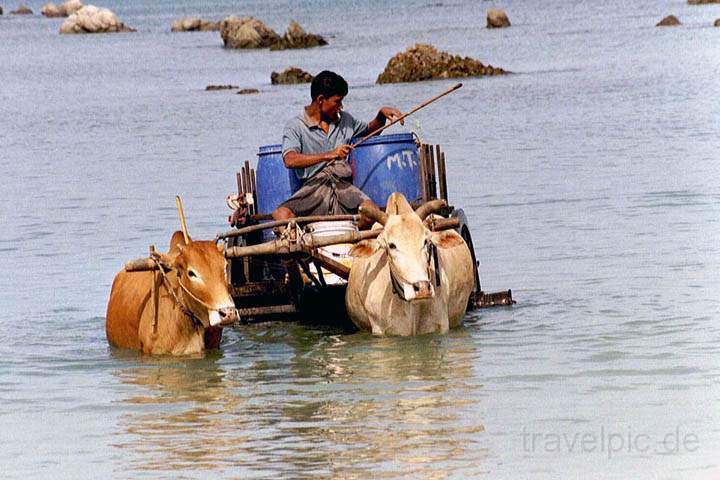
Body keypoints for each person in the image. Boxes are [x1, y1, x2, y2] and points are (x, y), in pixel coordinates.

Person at [272, 70, 403, 228]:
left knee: (370, 212)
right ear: (321, 100)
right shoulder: (295, 126)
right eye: (337, 101)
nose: (341, 107)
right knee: (281, 216)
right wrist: (329, 155)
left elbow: (369, 130)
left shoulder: (345, 120)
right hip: (313, 187)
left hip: (343, 186)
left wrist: (381, 116)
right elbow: (290, 160)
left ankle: (350, 234)